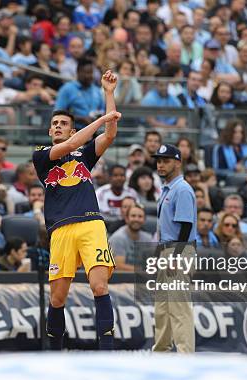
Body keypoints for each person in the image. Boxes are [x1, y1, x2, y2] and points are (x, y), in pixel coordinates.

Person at [32, 70, 121, 351]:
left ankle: (107, 352)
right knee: (57, 298)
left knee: (99, 286)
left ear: (72, 128)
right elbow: (73, 144)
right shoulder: (41, 154)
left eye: (63, 124)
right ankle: (55, 353)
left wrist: (108, 94)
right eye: (54, 123)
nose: (58, 126)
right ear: (50, 131)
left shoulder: (84, 155)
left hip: (91, 223)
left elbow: (110, 134)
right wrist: (101, 119)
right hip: (60, 229)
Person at [152, 143, 197, 353]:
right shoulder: (168, 189)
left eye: (166, 161)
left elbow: (186, 225)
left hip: (178, 250)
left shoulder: (182, 189)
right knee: (162, 308)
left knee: (179, 307)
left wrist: (176, 256)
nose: (161, 165)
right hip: (166, 250)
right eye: (159, 161)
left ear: (178, 163)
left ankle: (185, 355)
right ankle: (161, 351)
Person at [109, 204, 152, 271]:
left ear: (144, 220)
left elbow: (151, 262)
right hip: (121, 278)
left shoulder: (148, 238)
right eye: (133, 216)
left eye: (140, 216)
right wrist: (143, 270)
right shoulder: (118, 238)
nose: (136, 219)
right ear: (126, 219)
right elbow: (118, 266)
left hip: (141, 278)